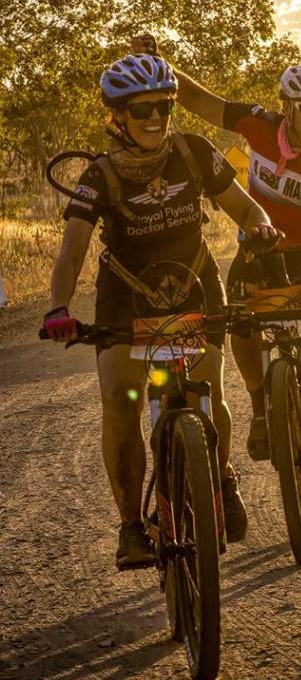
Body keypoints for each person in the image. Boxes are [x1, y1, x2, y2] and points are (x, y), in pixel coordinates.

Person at [42, 53, 279, 569]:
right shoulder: (99, 176)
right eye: (141, 109)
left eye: (164, 108)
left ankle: (220, 476)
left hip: (192, 286)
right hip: (126, 296)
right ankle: (130, 524)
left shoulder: (194, 152)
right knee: (119, 400)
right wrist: (58, 307)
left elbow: (244, 207)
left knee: (207, 391)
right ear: (117, 118)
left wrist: (259, 227)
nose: (155, 118)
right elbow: (72, 250)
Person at [131, 37, 301, 492]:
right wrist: (159, 64)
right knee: (240, 325)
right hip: (257, 249)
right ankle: (261, 406)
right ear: (287, 106)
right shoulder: (258, 125)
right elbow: (200, 100)